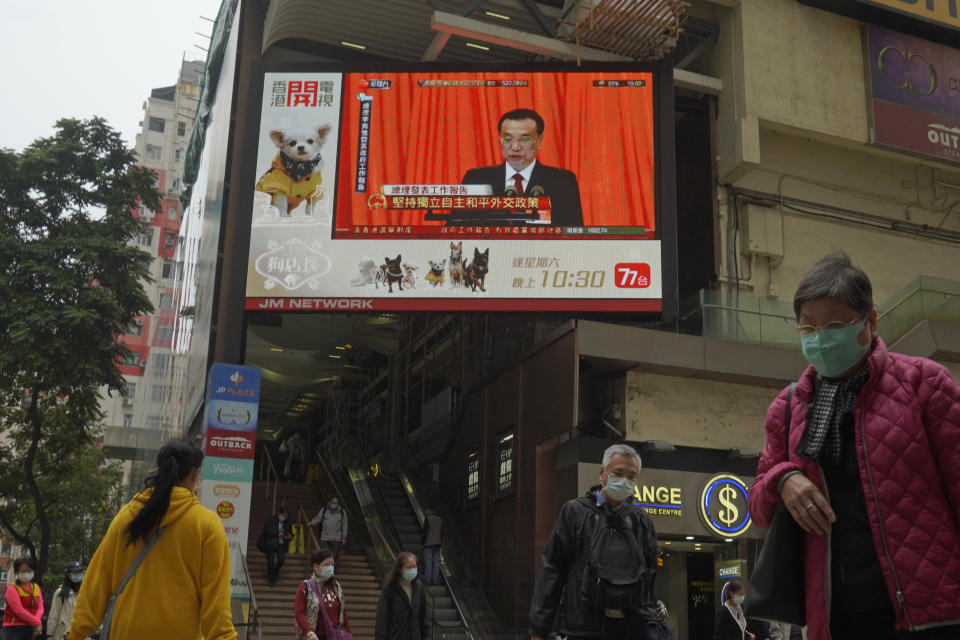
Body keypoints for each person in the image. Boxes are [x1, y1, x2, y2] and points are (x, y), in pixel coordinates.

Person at [748, 251, 960, 640]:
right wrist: (783, 478)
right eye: (808, 328)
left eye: (833, 324)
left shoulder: (924, 384)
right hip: (836, 614)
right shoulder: (789, 406)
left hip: (930, 612)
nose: (819, 338)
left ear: (870, 321)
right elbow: (758, 509)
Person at [64, 439, 235, 640]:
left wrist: (76, 633)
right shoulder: (206, 524)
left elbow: (98, 581)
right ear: (194, 474)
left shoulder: (127, 515)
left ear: (160, 470)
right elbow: (216, 602)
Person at [529, 443, 658, 640]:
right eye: (618, 473)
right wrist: (539, 628)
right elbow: (552, 569)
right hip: (584, 627)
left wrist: (651, 621)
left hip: (634, 628)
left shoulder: (641, 520)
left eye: (631, 477)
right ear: (602, 472)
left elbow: (649, 576)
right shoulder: (576, 512)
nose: (624, 481)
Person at [461, 108, 584, 227]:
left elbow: (573, 236)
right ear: (500, 140)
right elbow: (455, 232)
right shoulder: (476, 179)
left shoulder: (562, 182)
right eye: (508, 139)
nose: (515, 147)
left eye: (524, 139)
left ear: (540, 140)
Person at [295, 549, 352, 640]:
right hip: (315, 637)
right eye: (326, 564)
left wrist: (349, 634)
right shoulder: (306, 587)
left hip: (336, 636)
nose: (330, 567)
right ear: (316, 567)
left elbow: (343, 612)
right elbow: (299, 613)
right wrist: (309, 632)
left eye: (332, 564)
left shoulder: (336, 586)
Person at [375, 551, 428, 640]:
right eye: (408, 567)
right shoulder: (390, 589)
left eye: (414, 566)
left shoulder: (419, 587)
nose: (412, 570)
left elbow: (423, 617)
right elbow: (382, 619)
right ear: (400, 570)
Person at [2, 556, 42, 640]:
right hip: (13, 628)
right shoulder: (12, 588)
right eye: (23, 571)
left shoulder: (36, 587)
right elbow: (18, 610)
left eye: (29, 571)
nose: (26, 574)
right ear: (17, 572)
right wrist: (37, 622)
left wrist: (36, 621)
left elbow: (40, 607)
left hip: (30, 627)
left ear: (33, 571)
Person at [47, 562, 83, 640]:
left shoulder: (84, 593)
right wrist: (50, 634)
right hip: (62, 634)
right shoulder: (60, 593)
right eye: (75, 572)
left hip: (80, 634)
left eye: (79, 572)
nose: (78, 574)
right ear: (69, 574)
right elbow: (54, 614)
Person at [259, 506, 294, 586]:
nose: (284, 518)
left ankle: (275, 571)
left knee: (281, 560)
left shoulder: (287, 522)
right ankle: (272, 580)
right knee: (270, 562)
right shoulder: (271, 520)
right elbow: (266, 531)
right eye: (283, 516)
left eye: (286, 516)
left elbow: (290, 533)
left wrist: (290, 536)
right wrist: (277, 534)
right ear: (279, 514)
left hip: (281, 544)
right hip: (270, 544)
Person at [310, 496, 348, 563]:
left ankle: (332, 571)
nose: (334, 504)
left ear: (338, 503)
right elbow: (318, 518)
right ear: (329, 502)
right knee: (324, 555)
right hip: (325, 537)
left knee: (335, 556)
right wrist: (312, 522)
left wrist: (344, 538)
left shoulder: (342, 512)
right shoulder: (324, 510)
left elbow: (344, 525)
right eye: (333, 502)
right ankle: (325, 571)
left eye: (336, 503)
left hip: (337, 538)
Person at [421, 506, 443, 586]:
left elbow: (425, 532)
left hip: (428, 544)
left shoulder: (428, 519)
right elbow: (441, 533)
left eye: (427, 509)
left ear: (430, 510)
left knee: (428, 562)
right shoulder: (440, 520)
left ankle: (428, 580)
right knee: (436, 563)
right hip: (437, 544)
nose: (426, 511)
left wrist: (422, 543)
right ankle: (435, 580)